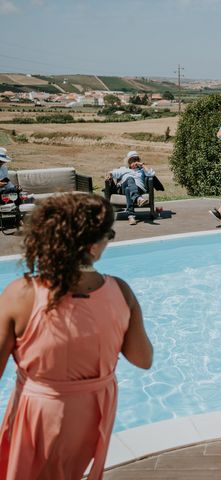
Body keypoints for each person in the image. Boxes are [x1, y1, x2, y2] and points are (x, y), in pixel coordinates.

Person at [0, 193, 154, 479]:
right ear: (93, 247)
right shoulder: (120, 291)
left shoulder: (21, 294)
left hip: (39, 411)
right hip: (93, 412)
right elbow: (143, 359)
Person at [106, 151, 155, 225]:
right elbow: (113, 172)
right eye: (132, 161)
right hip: (123, 187)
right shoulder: (124, 169)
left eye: (136, 160)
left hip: (139, 189)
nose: (134, 163)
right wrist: (109, 174)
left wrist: (142, 165)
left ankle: (131, 216)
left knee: (128, 189)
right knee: (129, 178)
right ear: (128, 162)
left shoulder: (142, 170)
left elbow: (151, 174)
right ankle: (138, 199)